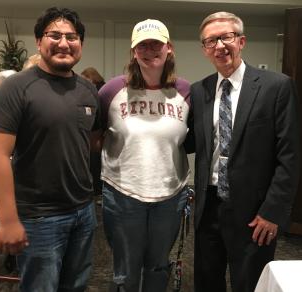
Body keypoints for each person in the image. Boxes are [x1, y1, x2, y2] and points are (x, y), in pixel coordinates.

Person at [0, 7, 101, 292]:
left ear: (81, 44)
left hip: (83, 211)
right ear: (39, 41)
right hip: (39, 217)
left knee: (76, 285)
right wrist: (8, 220)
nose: (64, 43)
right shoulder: (16, 88)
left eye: (72, 37)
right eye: (54, 35)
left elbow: (90, 143)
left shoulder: (88, 90)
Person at [185, 11, 301, 292]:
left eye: (226, 37)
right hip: (208, 206)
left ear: (241, 41)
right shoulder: (199, 90)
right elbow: (190, 142)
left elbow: (290, 155)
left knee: (249, 284)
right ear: (204, 49)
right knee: (206, 281)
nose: (220, 46)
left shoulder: (276, 86)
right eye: (211, 41)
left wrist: (273, 212)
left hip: (255, 212)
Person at [99, 19, 191, 291]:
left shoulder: (185, 92)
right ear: (133, 51)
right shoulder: (112, 90)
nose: (149, 50)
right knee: (125, 270)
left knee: (158, 266)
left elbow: (191, 139)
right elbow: (94, 137)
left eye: (156, 44)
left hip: (170, 196)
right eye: (142, 45)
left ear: (169, 48)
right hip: (123, 193)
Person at [81, 67, 106, 199]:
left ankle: (97, 191)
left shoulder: (99, 91)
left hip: (98, 134)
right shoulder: (103, 88)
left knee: (95, 163)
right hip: (100, 134)